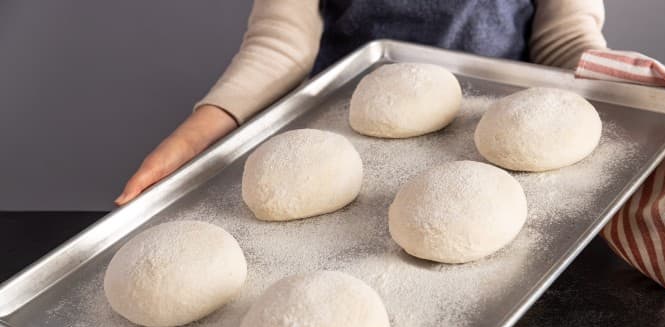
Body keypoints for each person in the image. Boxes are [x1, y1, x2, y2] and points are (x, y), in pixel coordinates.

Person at [115, 0, 611, 205]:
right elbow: (281, 41)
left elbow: (566, 39)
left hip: (506, 145)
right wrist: (203, 127)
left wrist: (631, 85)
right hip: (341, 142)